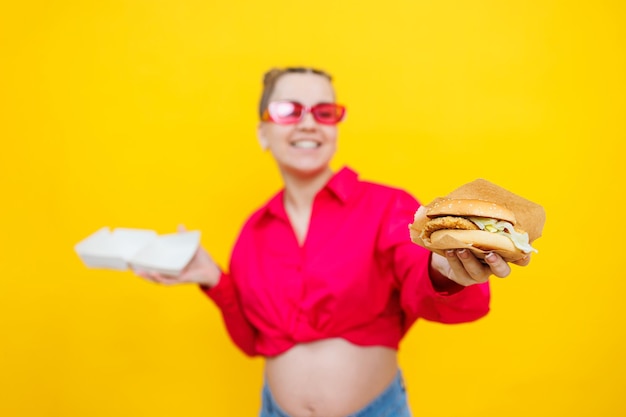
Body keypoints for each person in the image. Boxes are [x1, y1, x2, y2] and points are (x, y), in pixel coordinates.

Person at [136, 67, 531, 417]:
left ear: (335, 129)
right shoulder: (253, 232)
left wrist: (446, 270)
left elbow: (421, 281)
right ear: (263, 132)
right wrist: (212, 279)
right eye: (289, 111)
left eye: (323, 112)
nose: (308, 123)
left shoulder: (388, 206)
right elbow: (255, 341)